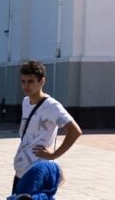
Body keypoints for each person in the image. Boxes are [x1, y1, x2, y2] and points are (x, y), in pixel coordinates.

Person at [11, 60, 80, 198]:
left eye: (30, 81)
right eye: (23, 81)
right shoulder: (26, 101)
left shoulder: (51, 106)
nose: (26, 86)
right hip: (20, 172)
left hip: (35, 173)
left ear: (42, 81)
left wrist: (54, 155)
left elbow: (75, 131)